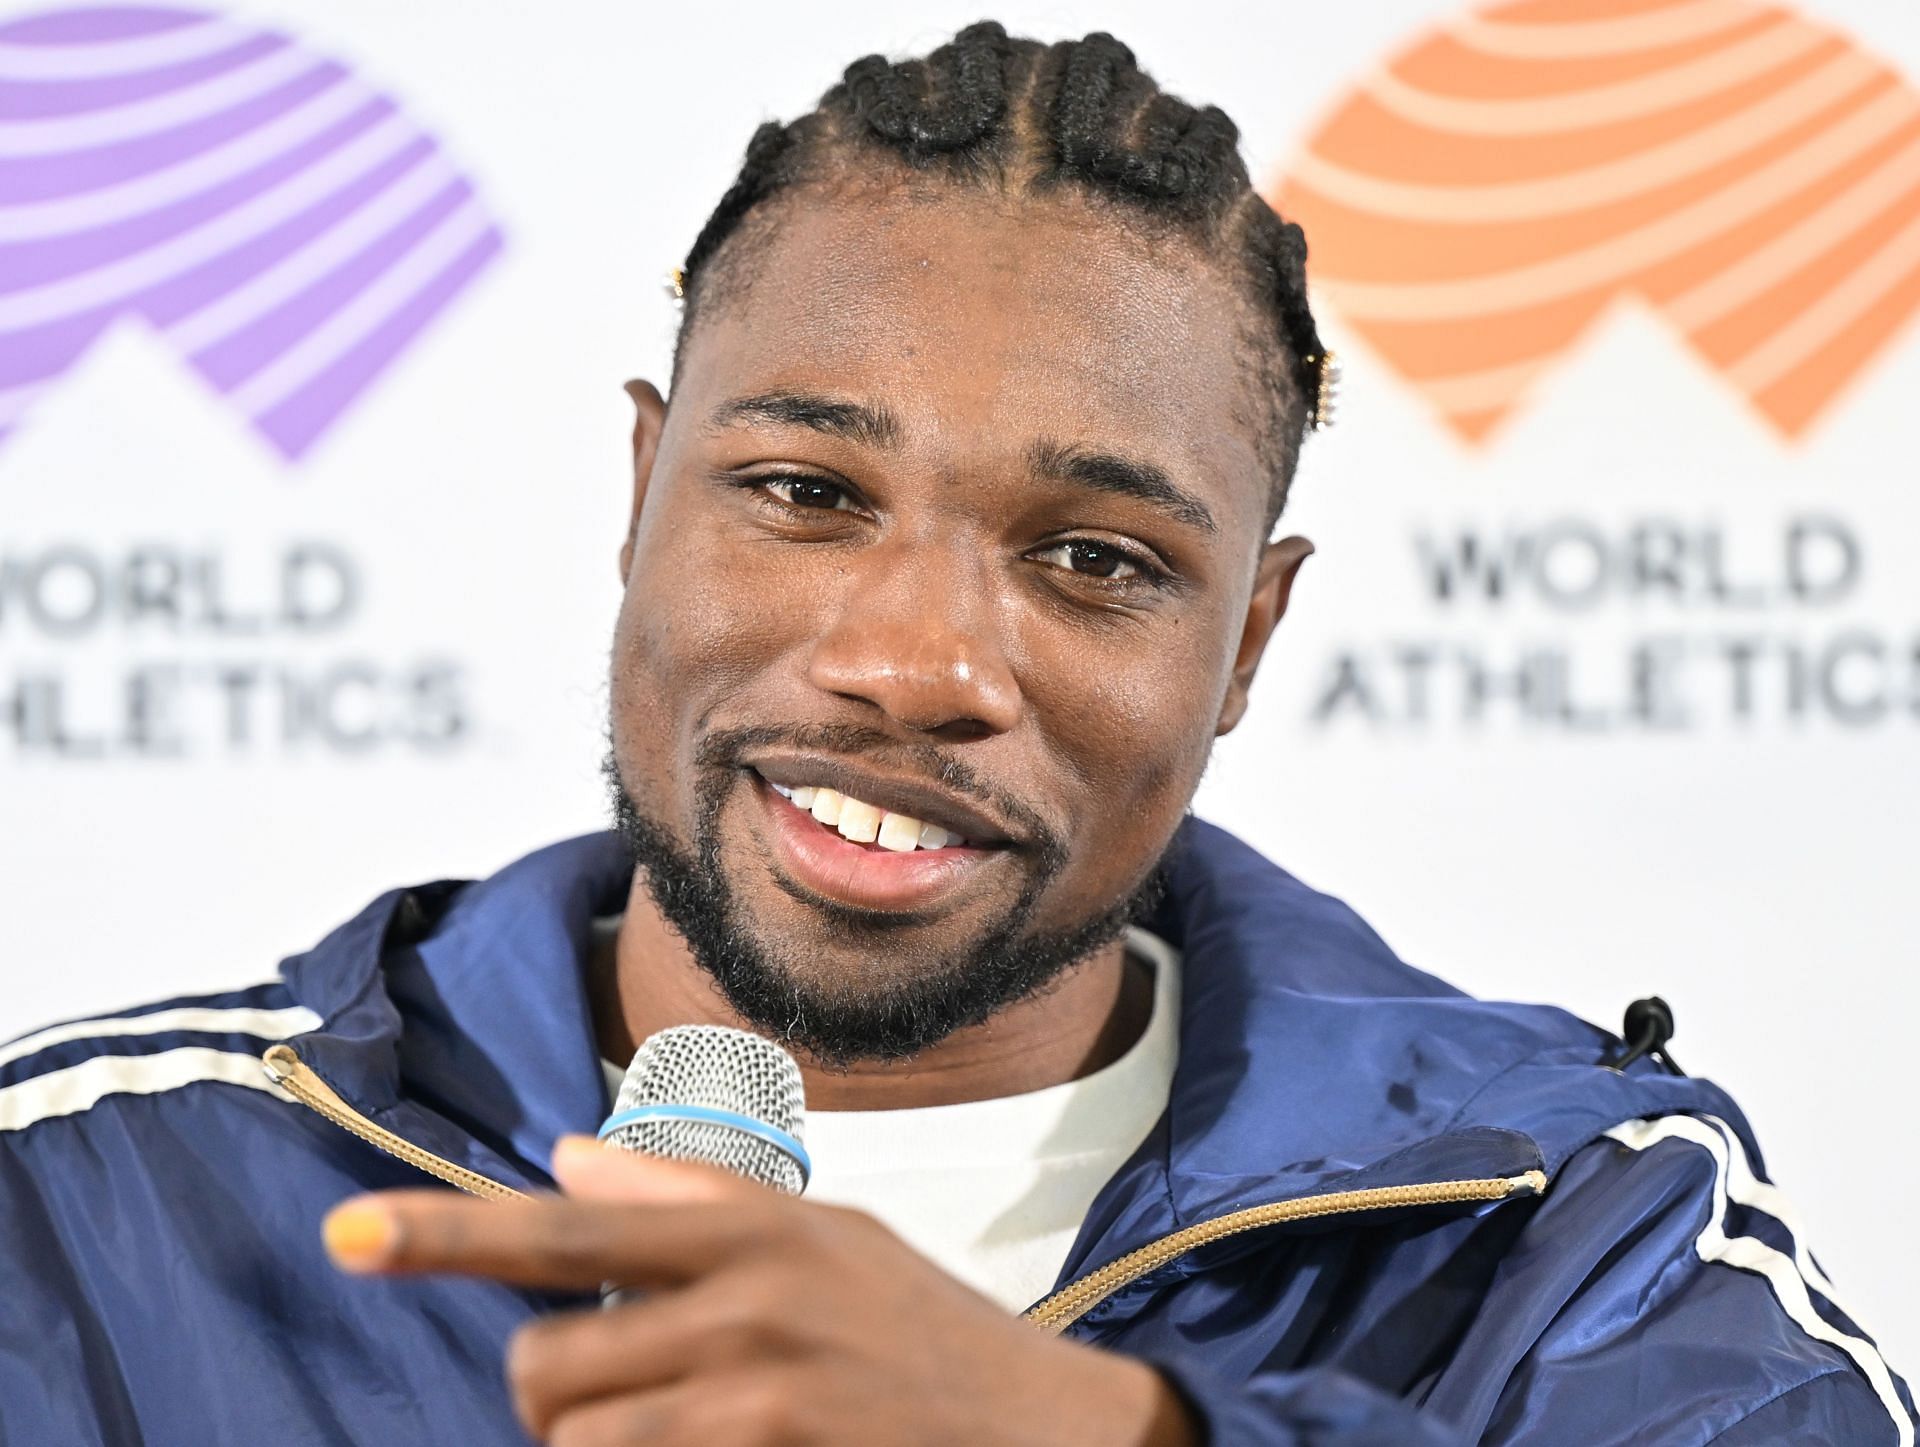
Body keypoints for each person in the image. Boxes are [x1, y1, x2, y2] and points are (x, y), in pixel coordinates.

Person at [1, 21, 1911, 1446]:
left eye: (1093, 557)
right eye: (808, 493)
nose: (916, 664)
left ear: (1245, 641)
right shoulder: (97, 1200)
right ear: (643, 489)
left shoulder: (1566, 1226)